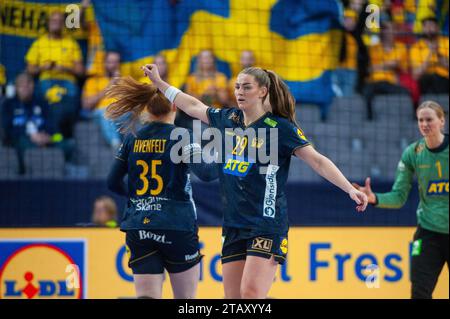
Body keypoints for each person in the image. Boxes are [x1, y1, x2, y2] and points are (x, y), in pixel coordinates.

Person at [142, 64, 368, 299]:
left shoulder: (280, 127)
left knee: (250, 295)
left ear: (262, 91)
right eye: (237, 86)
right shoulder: (228, 118)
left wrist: (349, 189)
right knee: (234, 300)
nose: (239, 91)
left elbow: (318, 161)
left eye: (246, 87)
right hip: (233, 224)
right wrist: (159, 82)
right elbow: (192, 105)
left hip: (266, 223)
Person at [105, 76, 217, 299]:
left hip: (139, 224)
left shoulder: (131, 138)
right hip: (176, 224)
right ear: (175, 105)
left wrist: (138, 196)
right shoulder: (182, 136)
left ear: (146, 107)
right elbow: (205, 173)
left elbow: (111, 182)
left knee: (146, 297)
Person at [353, 101, 448, 299]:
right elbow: (399, 197)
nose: (424, 124)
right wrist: (374, 198)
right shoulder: (413, 153)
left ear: (442, 121)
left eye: (429, 119)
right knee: (419, 292)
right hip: (428, 233)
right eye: (420, 120)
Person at [25, 11, 84, 139]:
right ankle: (53, 134)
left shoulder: (71, 43)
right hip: (46, 79)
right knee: (48, 102)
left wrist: (65, 68)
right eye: (53, 21)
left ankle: (65, 135)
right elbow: (29, 69)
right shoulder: (39, 43)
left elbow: (80, 71)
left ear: (63, 24)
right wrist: (43, 67)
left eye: (58, 21)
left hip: (68, 81)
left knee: (70, 101)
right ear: (48, 23)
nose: (55, 24)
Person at [1, 73, 70, 174]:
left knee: (66, 143)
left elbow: (52, 124)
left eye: (28, 84)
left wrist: (47, 136)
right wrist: (30, 136)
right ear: (16, 87)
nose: (25, 88)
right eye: (21, 85)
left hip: (45, 139)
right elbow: (7, 129)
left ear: (33, 86)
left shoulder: (42, 103)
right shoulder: (8, 104)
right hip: (20, 139)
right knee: (23, 143)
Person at [363, 20, 410, 120]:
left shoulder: (401, 47)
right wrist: (389, 65)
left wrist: (380, 66)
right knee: (366, 92)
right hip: (374, 81)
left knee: (406, 94)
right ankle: (369, 119)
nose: (387, 32)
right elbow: (369, 69)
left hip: (391, 82)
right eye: (384, 29)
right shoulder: (373, 48)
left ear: (395, 31)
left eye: (389, 29)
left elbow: (401, 67)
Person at [82, 51, 122, 149]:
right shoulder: (92, 81)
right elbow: (86, 105)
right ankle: (116, 144)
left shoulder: (124, 80)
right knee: (106, 112)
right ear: (104, 63)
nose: (113, 65)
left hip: (121, 113)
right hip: (100, 113)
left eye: (116, 62)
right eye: (110, 62)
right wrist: (109, 85)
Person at [410, 17, 449, 95]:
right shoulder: (416, 47)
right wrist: (430, 54)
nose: (429, 29)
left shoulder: (447, 42)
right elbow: (416, 75)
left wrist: (438, 54)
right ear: (422, 29)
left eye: (431, 26)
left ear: (437, 28)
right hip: (426, 81)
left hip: (446, 79)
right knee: (429, 79)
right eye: (426, 26)